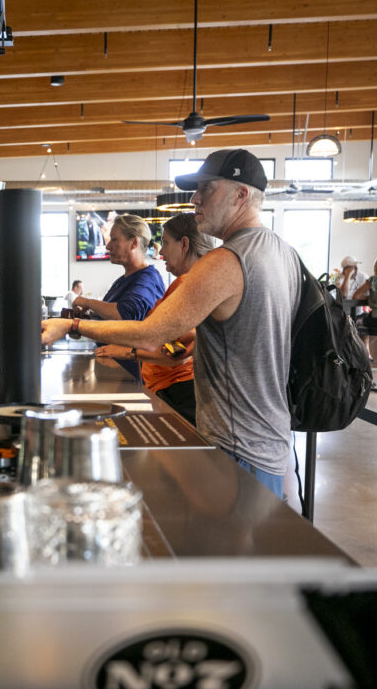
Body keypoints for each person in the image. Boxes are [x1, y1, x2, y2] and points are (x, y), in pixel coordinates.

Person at [43, 149, 300, 498]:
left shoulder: (226, 260)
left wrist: (72, 326)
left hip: (237, 443)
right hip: (271, 440)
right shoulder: (284, 252)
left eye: (207, 188)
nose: (195, 199)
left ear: (241, 194)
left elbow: (152, 334)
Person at [94, 214, 214, 425]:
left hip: (178, 391)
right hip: (170, 389)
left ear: (184, 244)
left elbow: (176, 351)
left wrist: (127, 351)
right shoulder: (188, 283)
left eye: (166, 243)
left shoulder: (190, 285)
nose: (161, 251)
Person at [70, 213, 165, 379]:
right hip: (115, 370)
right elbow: (110, 319)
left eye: (114, 240)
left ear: (134, 243)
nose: (108, 247)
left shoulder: (147, 279)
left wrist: (87, 302)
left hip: (134, 375)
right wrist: (86, 318)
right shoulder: (124, 280)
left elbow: (125, 314)